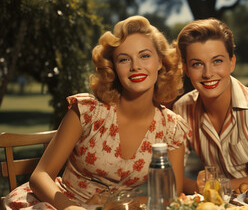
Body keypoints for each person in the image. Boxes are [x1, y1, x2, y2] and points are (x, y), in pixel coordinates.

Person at [3, 16, 190, 210]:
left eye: (144, 56)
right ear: (114, 67)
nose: (136, 66)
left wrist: (117, 205)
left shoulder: (172, 127)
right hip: (59, 204)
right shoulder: (88, 111)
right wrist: (72, 209)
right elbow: (39, 176)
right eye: (124, 59)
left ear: (160, 62)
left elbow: (170, 195)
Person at [172, 18, 248, 194]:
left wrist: (211, 188)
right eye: (197, 64)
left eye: (217, 61)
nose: (208, 74)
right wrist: (200, 188)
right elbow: (172, 178)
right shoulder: (182, 109)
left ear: (232, 62)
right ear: (186, 69)